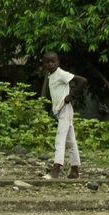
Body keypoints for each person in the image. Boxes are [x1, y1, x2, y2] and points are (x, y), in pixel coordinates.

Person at [40, 51, 83, 180]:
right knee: (71, 141)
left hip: (65, 109)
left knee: (59, 140)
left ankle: (55, 171)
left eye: (53, 61)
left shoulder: (61, 74)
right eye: (48, 62)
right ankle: (75, 171)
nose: (51, 64)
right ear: (44, 64)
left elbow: (82, 81)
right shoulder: (50, 75)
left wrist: (70, 96)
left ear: (58, 62)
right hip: (60, 110)